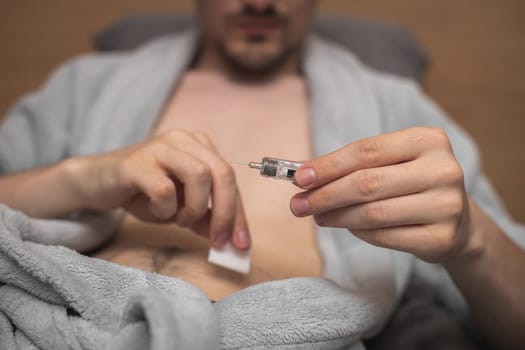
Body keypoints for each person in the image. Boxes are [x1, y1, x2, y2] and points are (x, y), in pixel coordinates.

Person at [0, 0, 523, 348]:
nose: (259, 0)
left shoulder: (394, 108)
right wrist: (77, 177)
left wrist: (472, 240)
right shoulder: (89, 86)